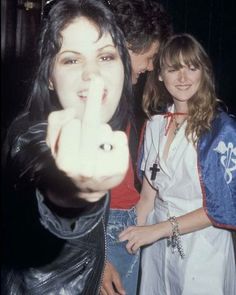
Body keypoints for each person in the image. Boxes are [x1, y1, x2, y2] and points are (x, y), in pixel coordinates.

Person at [1, 0, 133, 294]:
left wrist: (99, 264)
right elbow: (45, 182)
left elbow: (76, 241)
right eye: (72, 60)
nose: (92, 73)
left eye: (106, 57)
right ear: (49, 76)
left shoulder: (99, 129)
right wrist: (74, 191)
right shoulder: (29, 135)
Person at [119, 33, 236, 294]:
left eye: (191, 68)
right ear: (160, 74)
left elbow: (220, 208)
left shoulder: (221, 130)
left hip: (203, 249)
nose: (183, 78)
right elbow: (147, 199)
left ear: (203, 72)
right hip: (157, 247)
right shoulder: (154, 125)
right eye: (173, 69)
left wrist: (158, 230)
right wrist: (121, 241)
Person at [100, 1, 173, 294]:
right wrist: (98, 258)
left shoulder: (122, 93)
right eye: (151, 56)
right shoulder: (98, 96)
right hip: (106, 226)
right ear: (129, 45)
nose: (152, 66)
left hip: (126, 220)